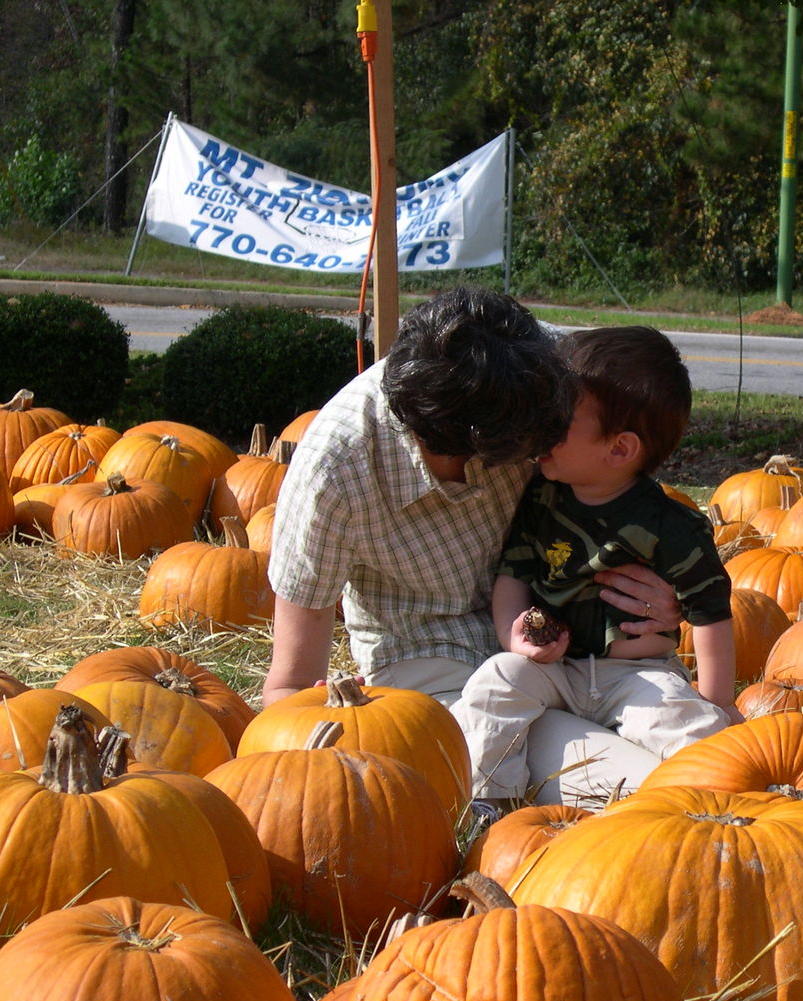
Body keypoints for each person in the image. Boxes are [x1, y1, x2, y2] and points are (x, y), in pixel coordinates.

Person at [263, 286, 686, 803]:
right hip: (435, 665)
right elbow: (288, 687)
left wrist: (669, 595)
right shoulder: (336, 471)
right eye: (540, 447)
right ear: (478, 449)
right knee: (634, 788)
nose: (550, 448)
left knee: (695, 747)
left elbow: (630, 455)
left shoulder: (545, 368)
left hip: (578, 644)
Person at [450, 325, 741, 809]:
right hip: (554, 668)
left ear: (619, 449)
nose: (541, 428)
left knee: (691, 726)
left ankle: (717, 806)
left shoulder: (671, 526)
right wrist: (512, 637)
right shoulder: (541, 496)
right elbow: (514, 574)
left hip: (637, 676)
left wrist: (719, 702)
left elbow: (711, 610)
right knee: (495, 682)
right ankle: (487, 803)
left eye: (558, 419)